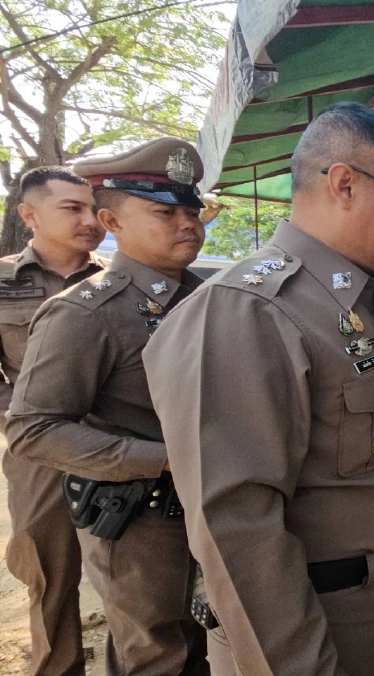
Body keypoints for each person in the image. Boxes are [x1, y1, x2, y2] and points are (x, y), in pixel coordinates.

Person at [143, 102, 374, 676]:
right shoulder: (245, 312)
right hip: (319, 625)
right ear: (345, 184)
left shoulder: (366, 304)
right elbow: (238, 534)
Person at [5, 138, 209, 675]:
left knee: (203, 644)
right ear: (111, 221)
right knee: (159, 652)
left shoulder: (211, 298)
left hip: (212, 502)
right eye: (165, 212)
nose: (187, 223)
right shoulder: (83, 313)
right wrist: (162, 458)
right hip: (140, 517)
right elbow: (33, 429)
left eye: (192, 210)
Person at [1, 166, 105, 676]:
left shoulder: (119, 279)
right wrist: (29, 418)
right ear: (29, 214)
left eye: (92, 208)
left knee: (137, 575)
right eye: (72, 209)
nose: (90, 220)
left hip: (119, 445)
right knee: (49, 574)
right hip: (39, 455)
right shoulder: (1, 283)